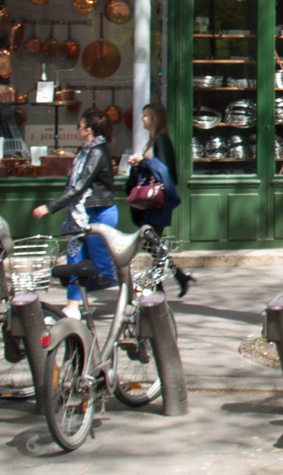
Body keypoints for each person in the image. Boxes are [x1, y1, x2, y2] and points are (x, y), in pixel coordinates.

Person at [33, 109, 118, 319]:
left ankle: (138, 294)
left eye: (79, 126)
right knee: (75, 261)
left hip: (98, 214)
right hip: (83, 215)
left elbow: (78, 187)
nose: (77, 130)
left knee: (103, 265)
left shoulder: (96, 152)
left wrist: (49, 207)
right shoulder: (87, 151)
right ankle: (71, 308)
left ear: (88, 130)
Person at [125, 103, 192, 296]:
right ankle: (167, 281)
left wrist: (142, 162)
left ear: (154, 118)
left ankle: (165, 282)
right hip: (152, 201)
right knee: (152, 243)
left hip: (157, 200)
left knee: (151, 241)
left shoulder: (161, 139)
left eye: (145, 116)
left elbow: (164, 169)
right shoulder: (154, 140)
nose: (141, 119)